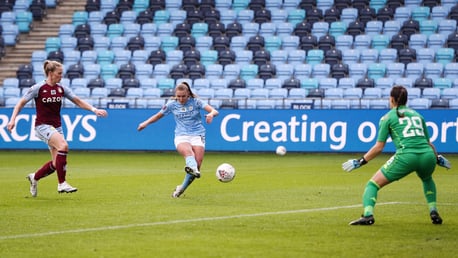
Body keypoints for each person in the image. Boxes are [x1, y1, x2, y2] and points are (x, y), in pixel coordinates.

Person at [342, 85, 451, 225]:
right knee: (427, 178)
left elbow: (378, 147)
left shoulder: (387, 118)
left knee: (372, 184)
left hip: (407, 156)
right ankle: (433, 210)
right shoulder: (418, 115)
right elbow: (429, 143)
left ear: (392, 99)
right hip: (428, 156)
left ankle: (368, 215)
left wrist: (360, 161)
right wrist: (437, 158)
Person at [7, 60, 108, 197]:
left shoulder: (61, 89)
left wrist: (94, 109)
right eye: (59, 73)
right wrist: (12, 120)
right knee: (63, 146)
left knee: (56, 164)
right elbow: (20, 104)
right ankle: (62, 184)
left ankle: (34, 177)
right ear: (50, 73)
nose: (61, 76)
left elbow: (77, 101)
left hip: (57, 127)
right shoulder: (38, 88)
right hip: (42, 126)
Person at [137, 82, 219, 198]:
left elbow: (214, 111)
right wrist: (145, 123)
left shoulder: (196, 102)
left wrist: (211, 114)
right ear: (175, 95)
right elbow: (158, 116)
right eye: (178, 96)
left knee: (198, 165)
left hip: (197, 134)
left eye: (183, 96)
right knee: (189, 155)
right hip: (181, 135)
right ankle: (191, 167)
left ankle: (181, 189)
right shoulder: (171, 105)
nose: (180, 99)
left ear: (188, 94)